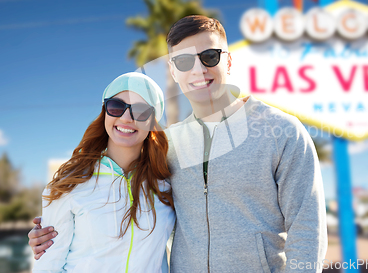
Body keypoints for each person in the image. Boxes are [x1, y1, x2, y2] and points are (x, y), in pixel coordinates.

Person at [29, 15, 327, 272]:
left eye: (210, 56)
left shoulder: (280, 131)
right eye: (184, 61)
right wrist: (51, 230)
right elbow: (117, 195)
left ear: (229, 60)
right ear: (173, 71)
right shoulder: (167, 145)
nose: (198, 70)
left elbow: (308, 230)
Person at [31, 72, 175, 273]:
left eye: (140, 110)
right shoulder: (70, 183)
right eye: (116, 106)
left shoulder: (166, 184)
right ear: (105, 111)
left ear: (152, 121)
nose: (126, 118)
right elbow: (48, 266)